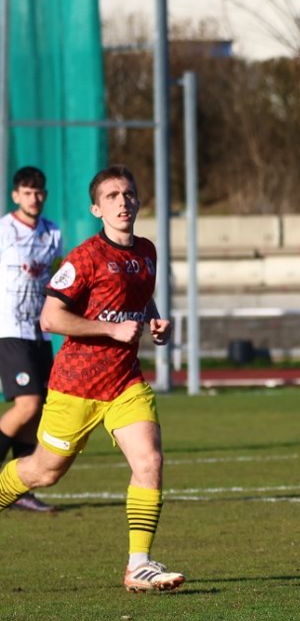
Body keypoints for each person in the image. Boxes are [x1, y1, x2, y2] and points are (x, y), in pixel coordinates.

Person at [0, 165, 185, 592]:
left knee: (150, 461)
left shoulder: (147, 252)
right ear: (96, 208)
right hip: (75, 386)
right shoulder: (84, 257)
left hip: (125, 383)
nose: (123, 202)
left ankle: (139, 564)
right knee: (44, 472)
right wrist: (109, 329)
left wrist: (156, 323)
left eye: (129, 194)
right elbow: (51, 317)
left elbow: (139, 298)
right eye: (113, 196)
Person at [0, 166, 63, 513]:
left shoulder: (52, 233)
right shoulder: (3, 230)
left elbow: (56, 276)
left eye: (39, 192)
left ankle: (20, 489)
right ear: (15, 195)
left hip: (40, 330)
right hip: (8, 328)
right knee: (27, 403)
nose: (34, 198)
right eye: (27, 192)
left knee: (38, 410)